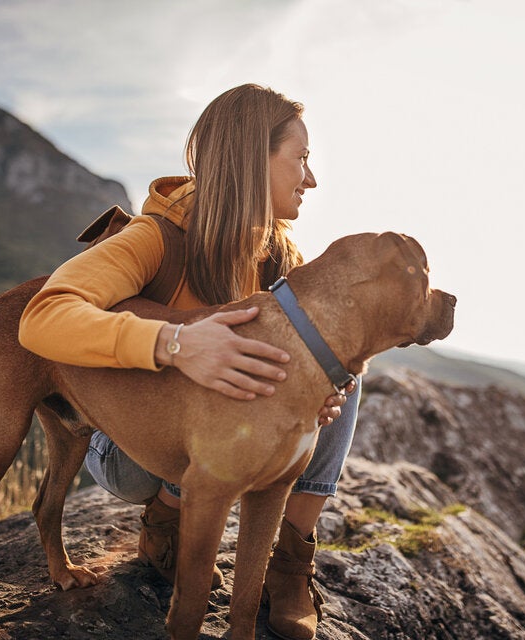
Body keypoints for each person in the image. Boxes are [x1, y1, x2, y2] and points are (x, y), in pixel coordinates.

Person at [18, 83, 358, 640]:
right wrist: (174, 343)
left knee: (338, 366)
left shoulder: (279, 255)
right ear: (252, 162)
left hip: (219, 439)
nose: (311, 178)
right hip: (133, 450)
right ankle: (165, 524)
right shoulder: (155, 237)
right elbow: (42, 317)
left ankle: (290, 567)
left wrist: (318, 398)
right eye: (300, 159)